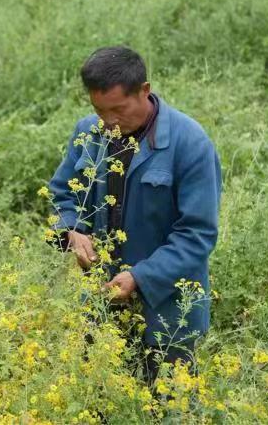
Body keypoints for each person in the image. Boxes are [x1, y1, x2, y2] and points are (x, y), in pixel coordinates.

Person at [48, 46, 221, 384]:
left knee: (169, 404)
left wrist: (140, 277)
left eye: (118, 109)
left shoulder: (190, 143)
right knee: (100, 400)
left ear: (144, 91)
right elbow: (62, 194)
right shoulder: (89, 132)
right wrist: (71, 231)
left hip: (168, 311)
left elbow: (197, 234)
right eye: (99, 110)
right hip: (101, 304)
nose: (109, 121)